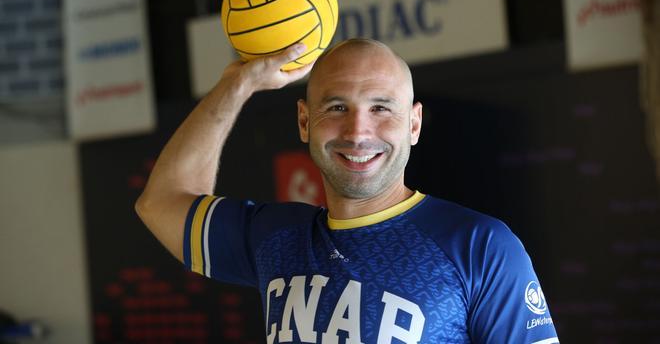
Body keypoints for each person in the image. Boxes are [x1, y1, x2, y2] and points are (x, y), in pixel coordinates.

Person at [136, 38, 559, 343]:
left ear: (413, 125)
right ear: (305, 122)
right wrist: (237, 84)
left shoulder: (479, 247)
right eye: (337, 107)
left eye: (381, 108)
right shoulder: (276, 239)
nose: (358, 131)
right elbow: (161, 202)